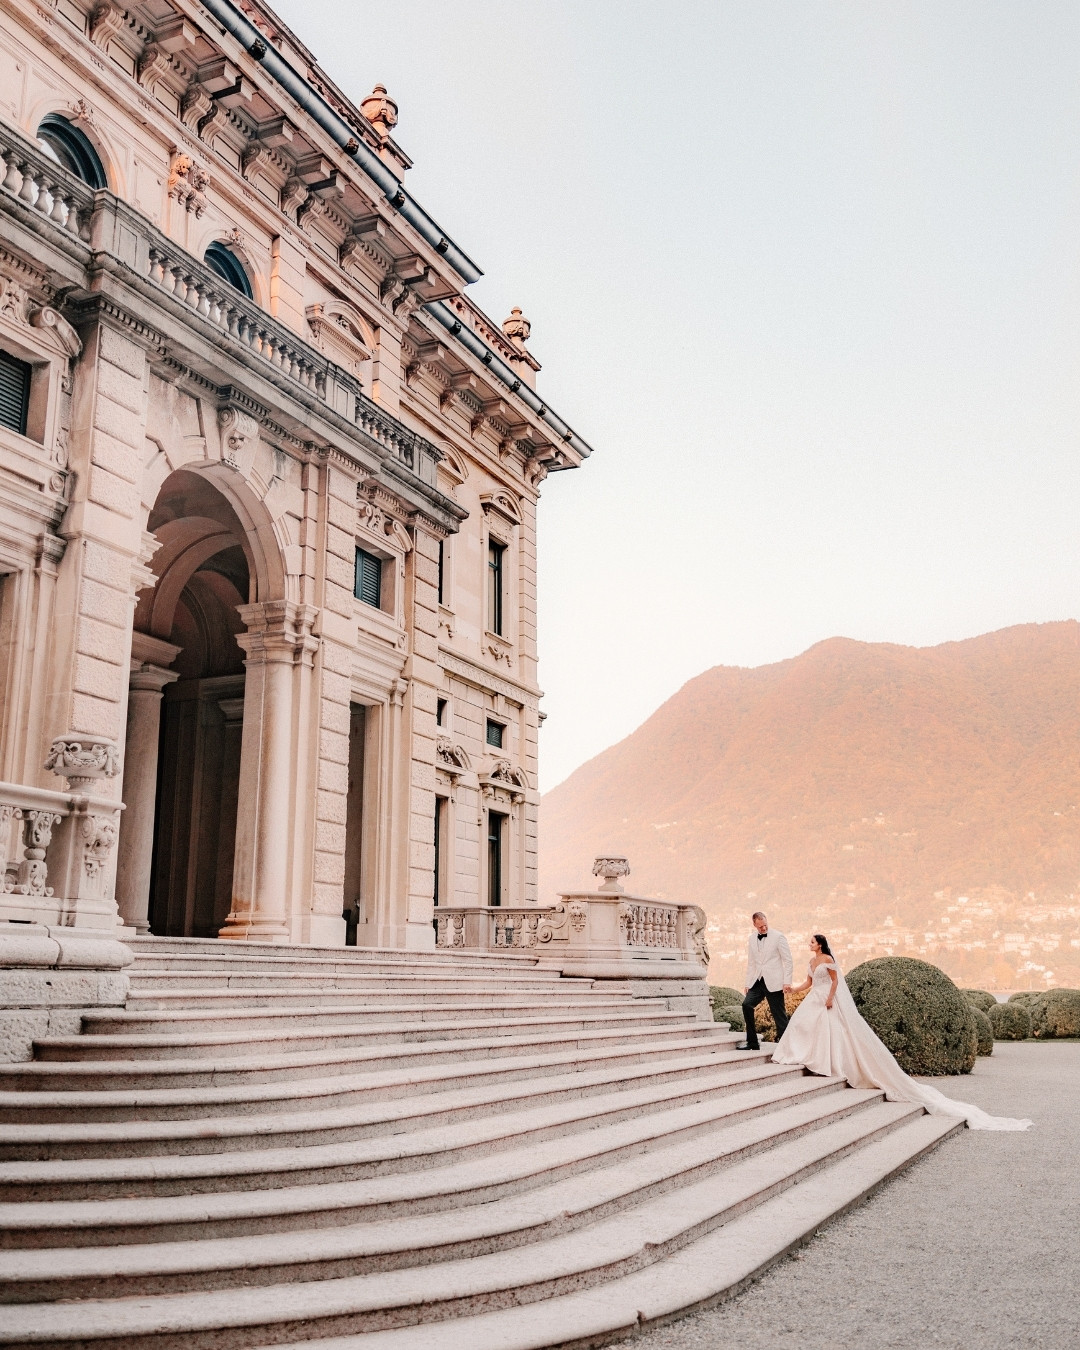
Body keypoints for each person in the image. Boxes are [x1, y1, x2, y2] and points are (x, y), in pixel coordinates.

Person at [771, 934, 1031, 1131]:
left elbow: (835, 981)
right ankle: (806, 1057)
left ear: (821, 944)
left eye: (812, 942)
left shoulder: (827, 960)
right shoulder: (811, 961)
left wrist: (829, 998)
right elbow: (808, 982)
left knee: (831, 1032)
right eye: (810, 942)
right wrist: (794, 989)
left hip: (826, 999)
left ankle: (830, 1063)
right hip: (813, 998)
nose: (810, 944)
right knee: (806, 1027)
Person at [738, 911, 793, 1050]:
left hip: (775, 981)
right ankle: (752, 1043)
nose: (763, 928)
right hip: (758, 981)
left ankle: (787, 1048)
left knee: (779, 1015)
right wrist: (747, 983)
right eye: (760, 926)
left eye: (765, 925)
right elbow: (751, 963)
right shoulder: (751, 939)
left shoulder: (778, 937)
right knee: (746, 1005)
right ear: (754, 925)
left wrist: (787, 981)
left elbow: (788, 960)